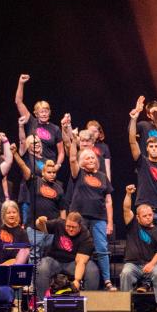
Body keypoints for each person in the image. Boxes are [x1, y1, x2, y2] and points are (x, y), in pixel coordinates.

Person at [64, 116, 115, 290]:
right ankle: (72, 278)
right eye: (87, 158)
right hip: (80, 217)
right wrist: (73, 140)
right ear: (82, 161)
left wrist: (109, 222)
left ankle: (107, 281)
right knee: (76, 246)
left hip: (99, 217)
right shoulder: (78, 173)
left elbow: (108, 200)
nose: (91, 160)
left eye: (93, 158)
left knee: (101, 248)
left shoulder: (102, 176)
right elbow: (71, 159)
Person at [128, 97, 157, 239]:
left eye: (156, 146)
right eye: (151, 146)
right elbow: (132, 140)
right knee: (144, 240)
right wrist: (134, 117)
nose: (154, 149)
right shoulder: (143, 126)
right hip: (145, 170)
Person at [119, 186, 157, 312]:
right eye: (144, 216)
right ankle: (125, 306)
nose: (148, 218)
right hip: (133, 264)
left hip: (150, 264)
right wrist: (128, 194)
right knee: (125, 273)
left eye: (150, 215)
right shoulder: (133, 224)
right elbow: (126, 209)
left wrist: (152, 264)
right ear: (138, 217)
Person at [34, 213, 101, 297]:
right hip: (55, 260)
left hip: (73, 263)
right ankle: (43, 303)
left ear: (80, 226)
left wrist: (77, 280)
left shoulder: (86, 236)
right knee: (42, 267)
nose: (70, 229)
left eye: (73, 227)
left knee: (92, 270)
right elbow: (40, 227)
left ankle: (88, 303)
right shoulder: (59, 223)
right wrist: (40, 221)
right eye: (68, 226)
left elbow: (80, 261)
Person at [14, 74, 64, 167]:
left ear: (49, 113)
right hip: (33, 164)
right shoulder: (31, 122)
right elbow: (18, 101)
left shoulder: (55, 129)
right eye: (41, 112)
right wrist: (21, 83)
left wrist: (58, 165)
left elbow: (61, 152)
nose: (44, 114)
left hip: (49, 166)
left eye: (46, 111)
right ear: (36, 114)